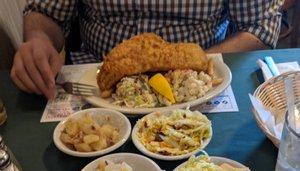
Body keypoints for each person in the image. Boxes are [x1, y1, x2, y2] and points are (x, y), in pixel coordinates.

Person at [11, 0, 283, 99]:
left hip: (198, 90)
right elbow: (46, 13)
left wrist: (196, 68)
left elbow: (260, 24)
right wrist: (39, 39)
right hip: (96, 85)